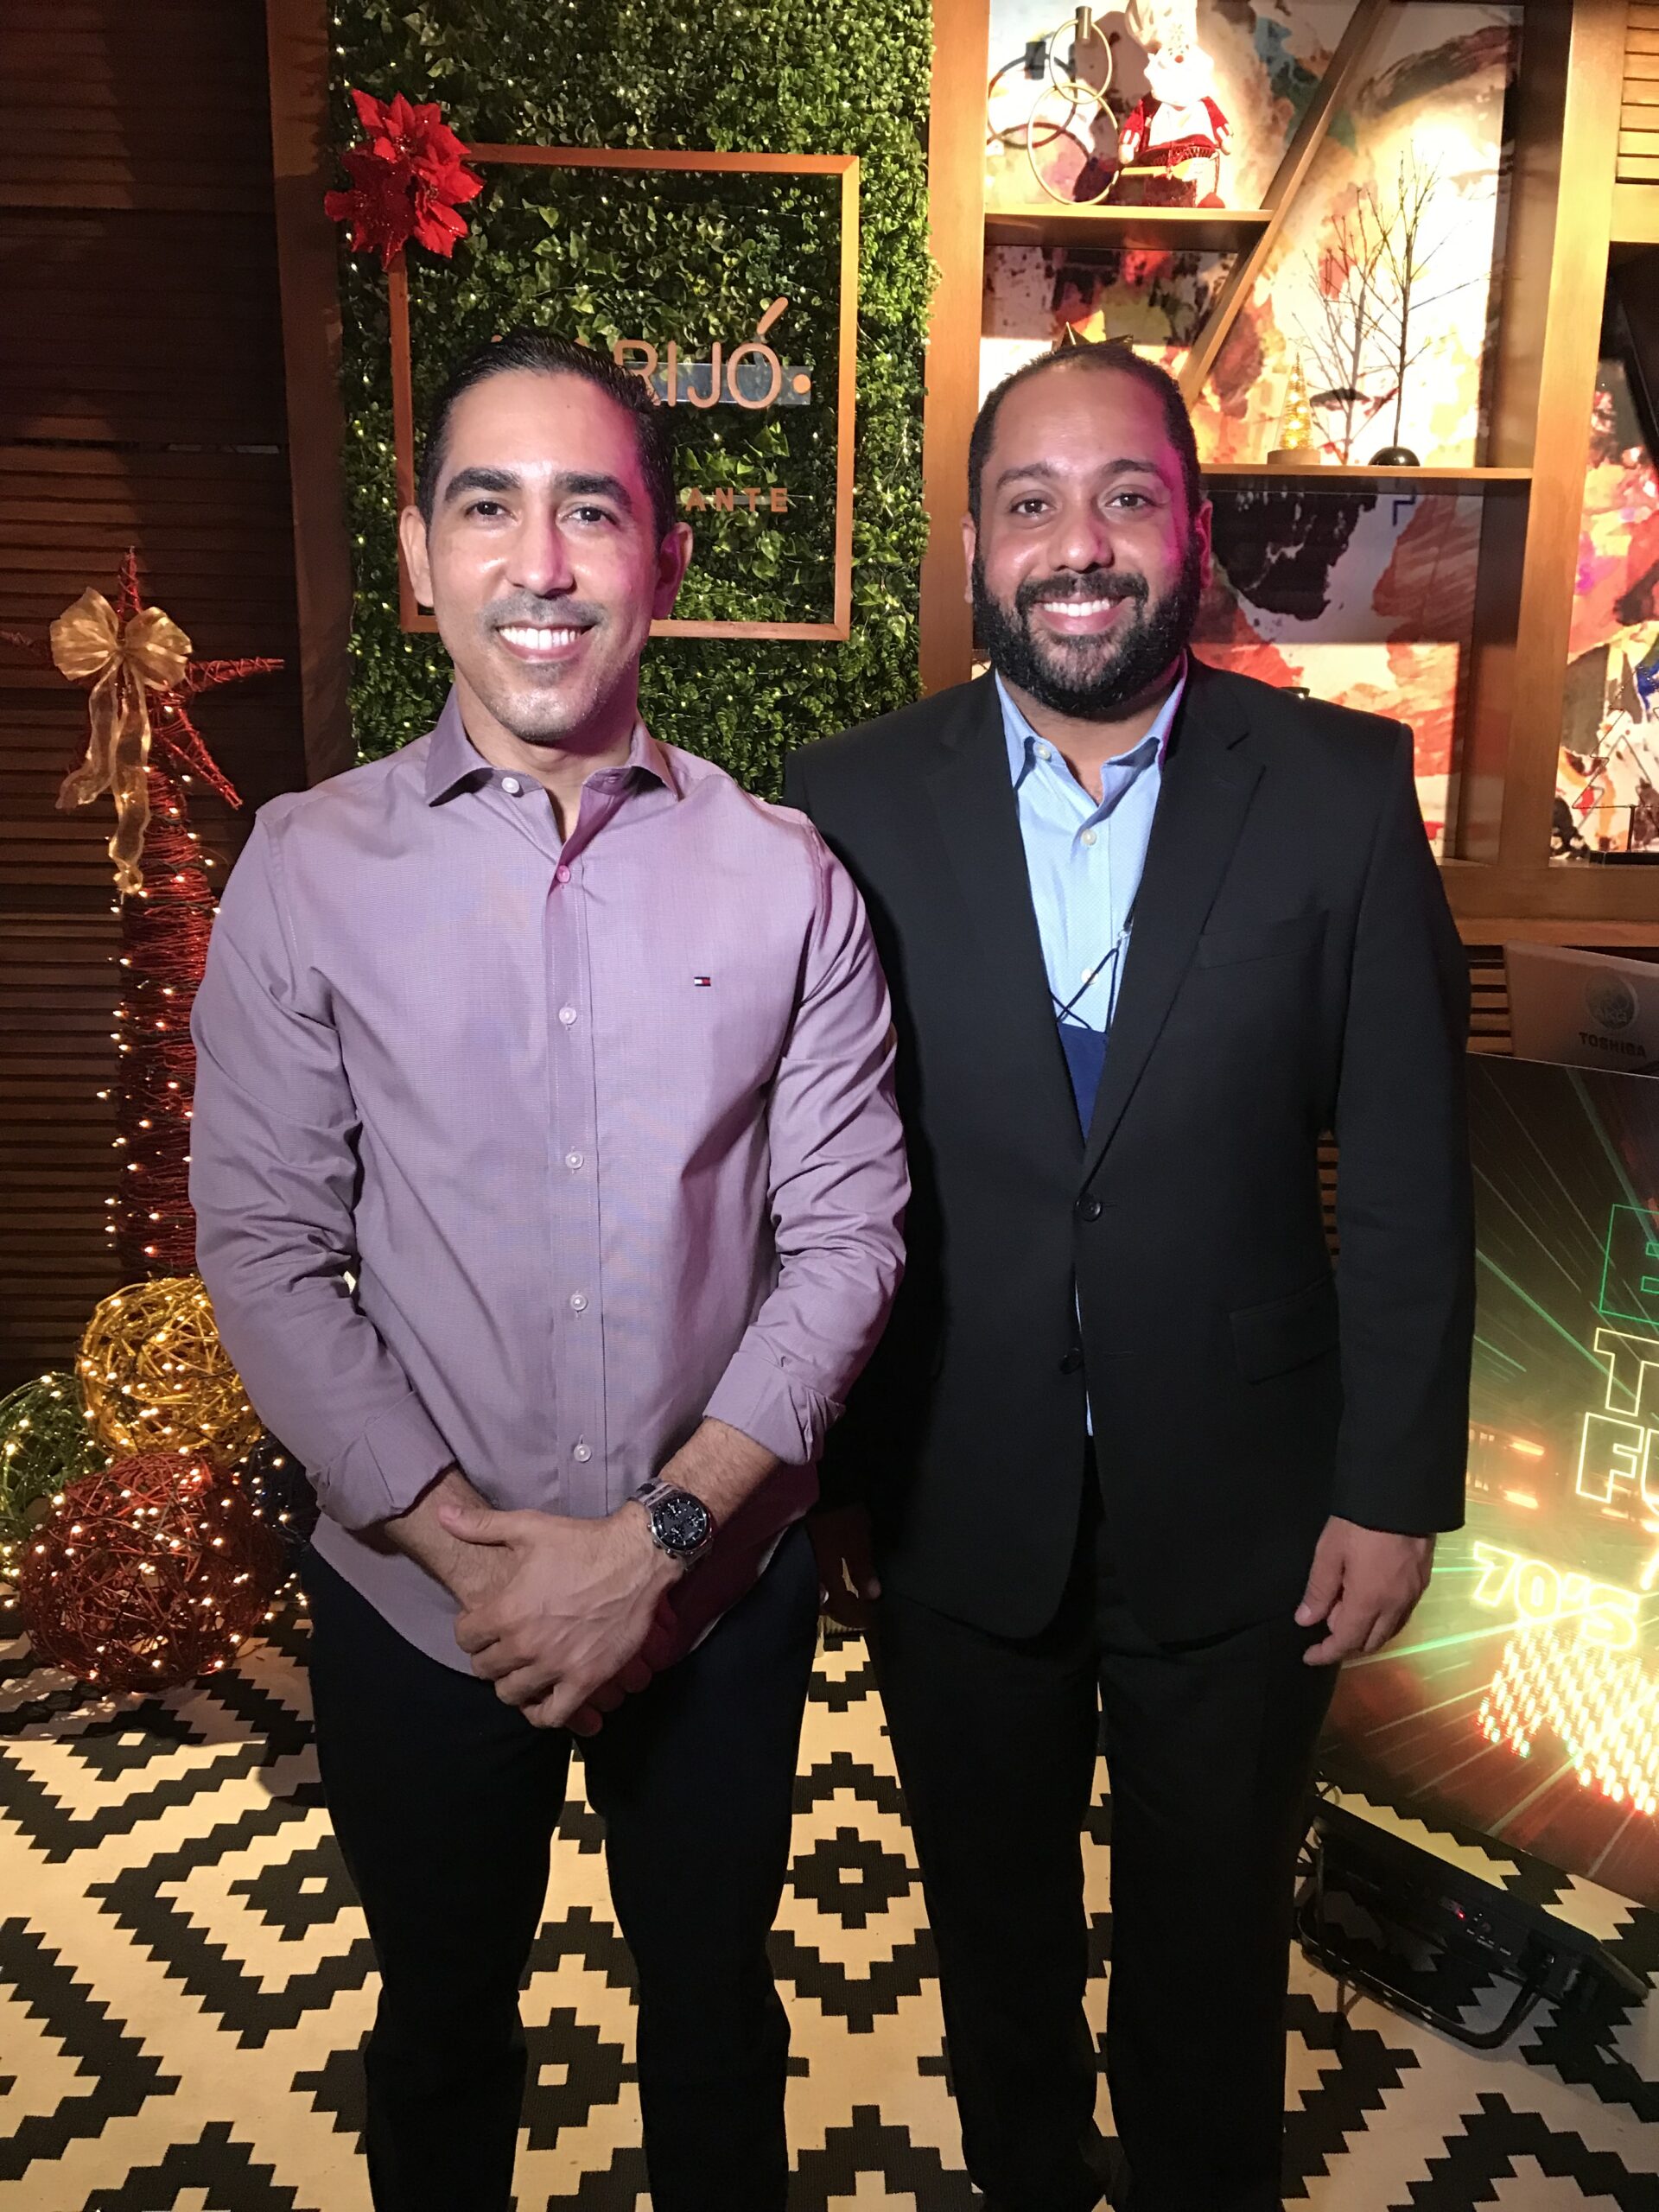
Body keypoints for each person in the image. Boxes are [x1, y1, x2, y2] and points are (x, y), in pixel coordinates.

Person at [189, 329, 906, 2212]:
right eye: (487, 506)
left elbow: (848, 1236)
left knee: (716, 2026)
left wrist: (654, 1545)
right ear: (420, 557)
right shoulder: (305, 869)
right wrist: (475, 1560)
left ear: (666, 558)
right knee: (440, 2036)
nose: (542, 563)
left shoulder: (790, 878)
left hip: (716, 1594)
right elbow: (266, 1246)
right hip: (423, 1607)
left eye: (591, 509)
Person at [784, 340, 1471, 2212]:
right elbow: (812, 1172)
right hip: (950, 1492)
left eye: (1125, 497)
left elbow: (1410, 1170)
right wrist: (827, 1467)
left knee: (1214, 1958)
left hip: (1255, 1510)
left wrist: (1394, 1488)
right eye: (1032, 503)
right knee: (992, 1943)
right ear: (975, 543)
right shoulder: (847, 801)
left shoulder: (1337, 786)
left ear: (1192, 527)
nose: (1078, 543)